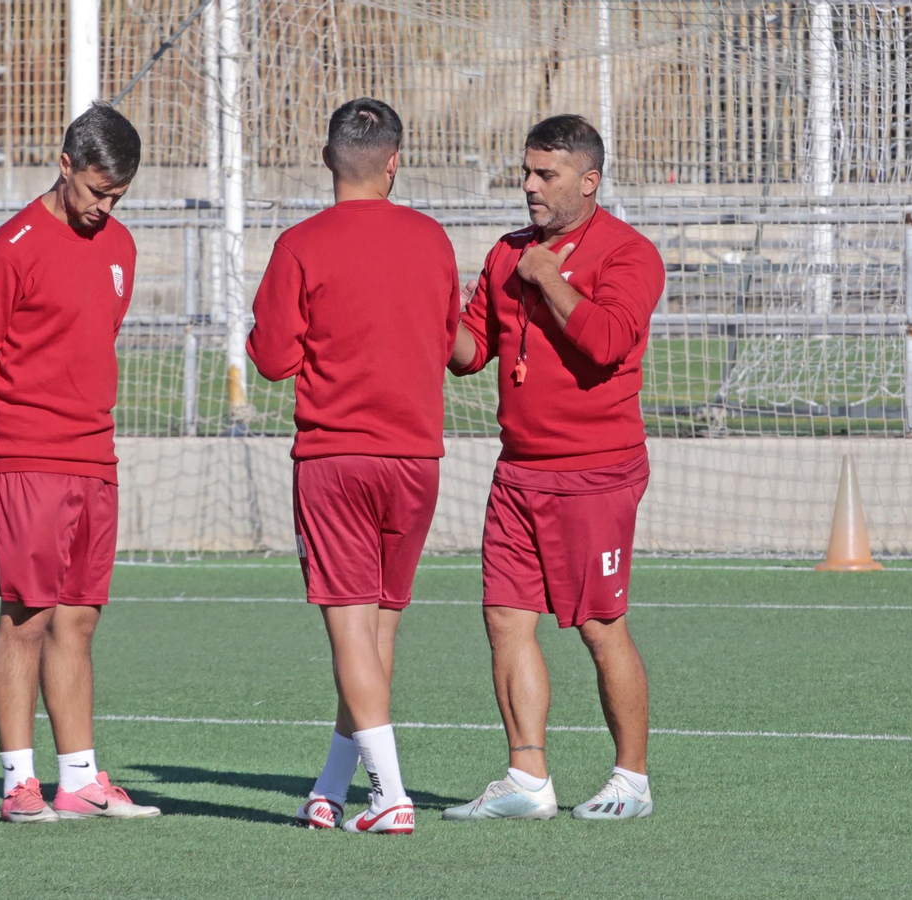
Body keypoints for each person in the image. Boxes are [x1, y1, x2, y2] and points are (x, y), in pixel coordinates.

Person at [442, 114, 666, 822]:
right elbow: (470, 351)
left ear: (589, 181)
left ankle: (631, 779)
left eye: (547, 175)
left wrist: (547, 275)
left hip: (595, 474)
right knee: (506, 621)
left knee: (601, 627)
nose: (530, 187)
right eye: (527, 173)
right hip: (518, 473)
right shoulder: (507, 253)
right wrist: (418, 304)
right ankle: (527, 778)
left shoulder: (629, 254)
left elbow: (604, 342)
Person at [247, 98, 460, 835]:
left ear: (327, 157)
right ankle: (333, 787)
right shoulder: (433, 240)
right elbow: (451, 341)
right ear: (394, 161)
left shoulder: (301, 243)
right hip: (415, 459)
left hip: (336, 457)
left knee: (348, 633)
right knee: (377, 633)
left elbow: (272, 359)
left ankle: (393, 797)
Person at [0, 101, 159, 824]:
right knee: (26, 618)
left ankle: (81, 780)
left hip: (95, 457)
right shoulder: (9, 250)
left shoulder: (122, 246)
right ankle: (18, 782)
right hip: (27, 459)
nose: (105, 208)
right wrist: (13, 427)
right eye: (97, 191)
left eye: (117, 196)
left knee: (79, 620)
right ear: (64, 165)